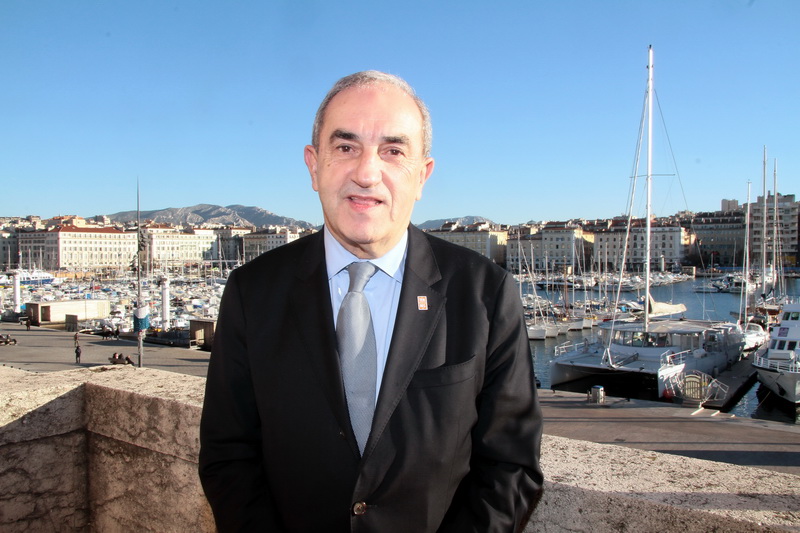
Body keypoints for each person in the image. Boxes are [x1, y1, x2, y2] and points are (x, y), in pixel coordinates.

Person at [199, 71, 543, 532]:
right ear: (313, 165)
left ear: (422, 175)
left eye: (393, 151)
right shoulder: (252, 292)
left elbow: (511, 467)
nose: (366, 172)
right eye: (345, 147)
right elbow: (229, 454)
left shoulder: (485, 293)